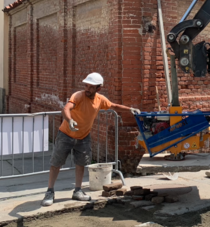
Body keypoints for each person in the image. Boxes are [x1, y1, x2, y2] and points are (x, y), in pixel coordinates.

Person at [41, 72, 140, 206]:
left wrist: (130, 109)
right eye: (86, 85)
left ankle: (77, 191)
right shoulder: (78, 96)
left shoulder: (100, 99)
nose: (87, 88)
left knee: (81, 163)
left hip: (83, 137)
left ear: (98, 88)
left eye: (91, 87)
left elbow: (114, 106)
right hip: (65, 135)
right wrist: (69, 120)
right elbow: (66, 108)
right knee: (56, 163)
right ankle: (50, 191)